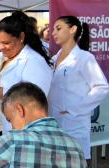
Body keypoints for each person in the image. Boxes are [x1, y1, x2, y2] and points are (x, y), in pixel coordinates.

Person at [0, 11, 52, 147]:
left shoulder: (34, 62)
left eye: (6, 42)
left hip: (10, 132)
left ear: (21, 37)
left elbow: (35, 102)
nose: (1, 47)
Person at [48, 15, 109, 159]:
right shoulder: (54, 58)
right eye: (53, 29)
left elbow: (102, 87)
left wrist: (74, 109)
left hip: (74, 124)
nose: (53, 33)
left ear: (72, 29)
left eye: (58, 28)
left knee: (75, 161)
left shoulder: (84, 58)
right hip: (53, 122)